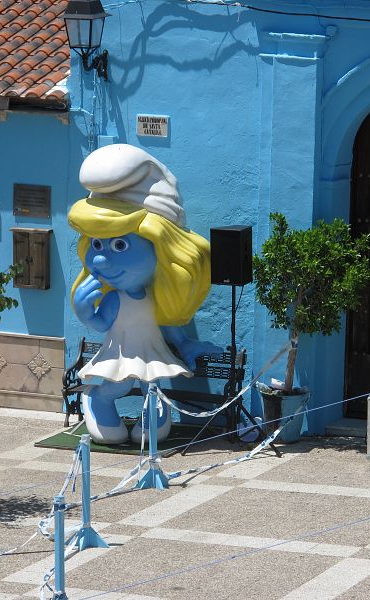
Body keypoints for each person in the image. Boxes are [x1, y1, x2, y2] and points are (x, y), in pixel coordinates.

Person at [68, 144, 219, 444]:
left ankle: (153, 417)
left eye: (119, 245)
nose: (100, 259)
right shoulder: (116, 298)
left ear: (162, 247)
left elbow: (166, 322)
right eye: (96, 245)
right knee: (120, 385)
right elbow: (101, 323)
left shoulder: (156, 296)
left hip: (149, 349)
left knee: (154, 382)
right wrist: (85, 311)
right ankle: (98, 399)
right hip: (122, 351)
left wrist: (185, 343)